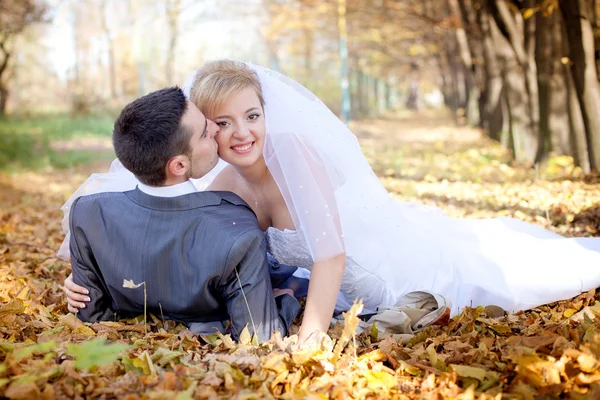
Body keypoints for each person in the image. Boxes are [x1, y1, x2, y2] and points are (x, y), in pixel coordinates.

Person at [64, 60, 600, 343]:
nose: (243, 132)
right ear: (206, 131)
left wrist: (313, 335)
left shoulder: (296, 156)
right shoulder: (223, 185)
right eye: (222, 124)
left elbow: (331, 257)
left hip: (388, 268)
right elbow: (166, 229)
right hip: (333, 291)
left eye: (253, 115)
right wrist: (83, 279)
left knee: (526, 269)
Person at [67, 86, 300, 341]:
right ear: (178, 165)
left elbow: (91, 316)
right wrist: (287, 302)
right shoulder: (235, 230)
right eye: (204, 133)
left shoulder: (87, 212)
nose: (215, 128)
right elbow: (258, 337)